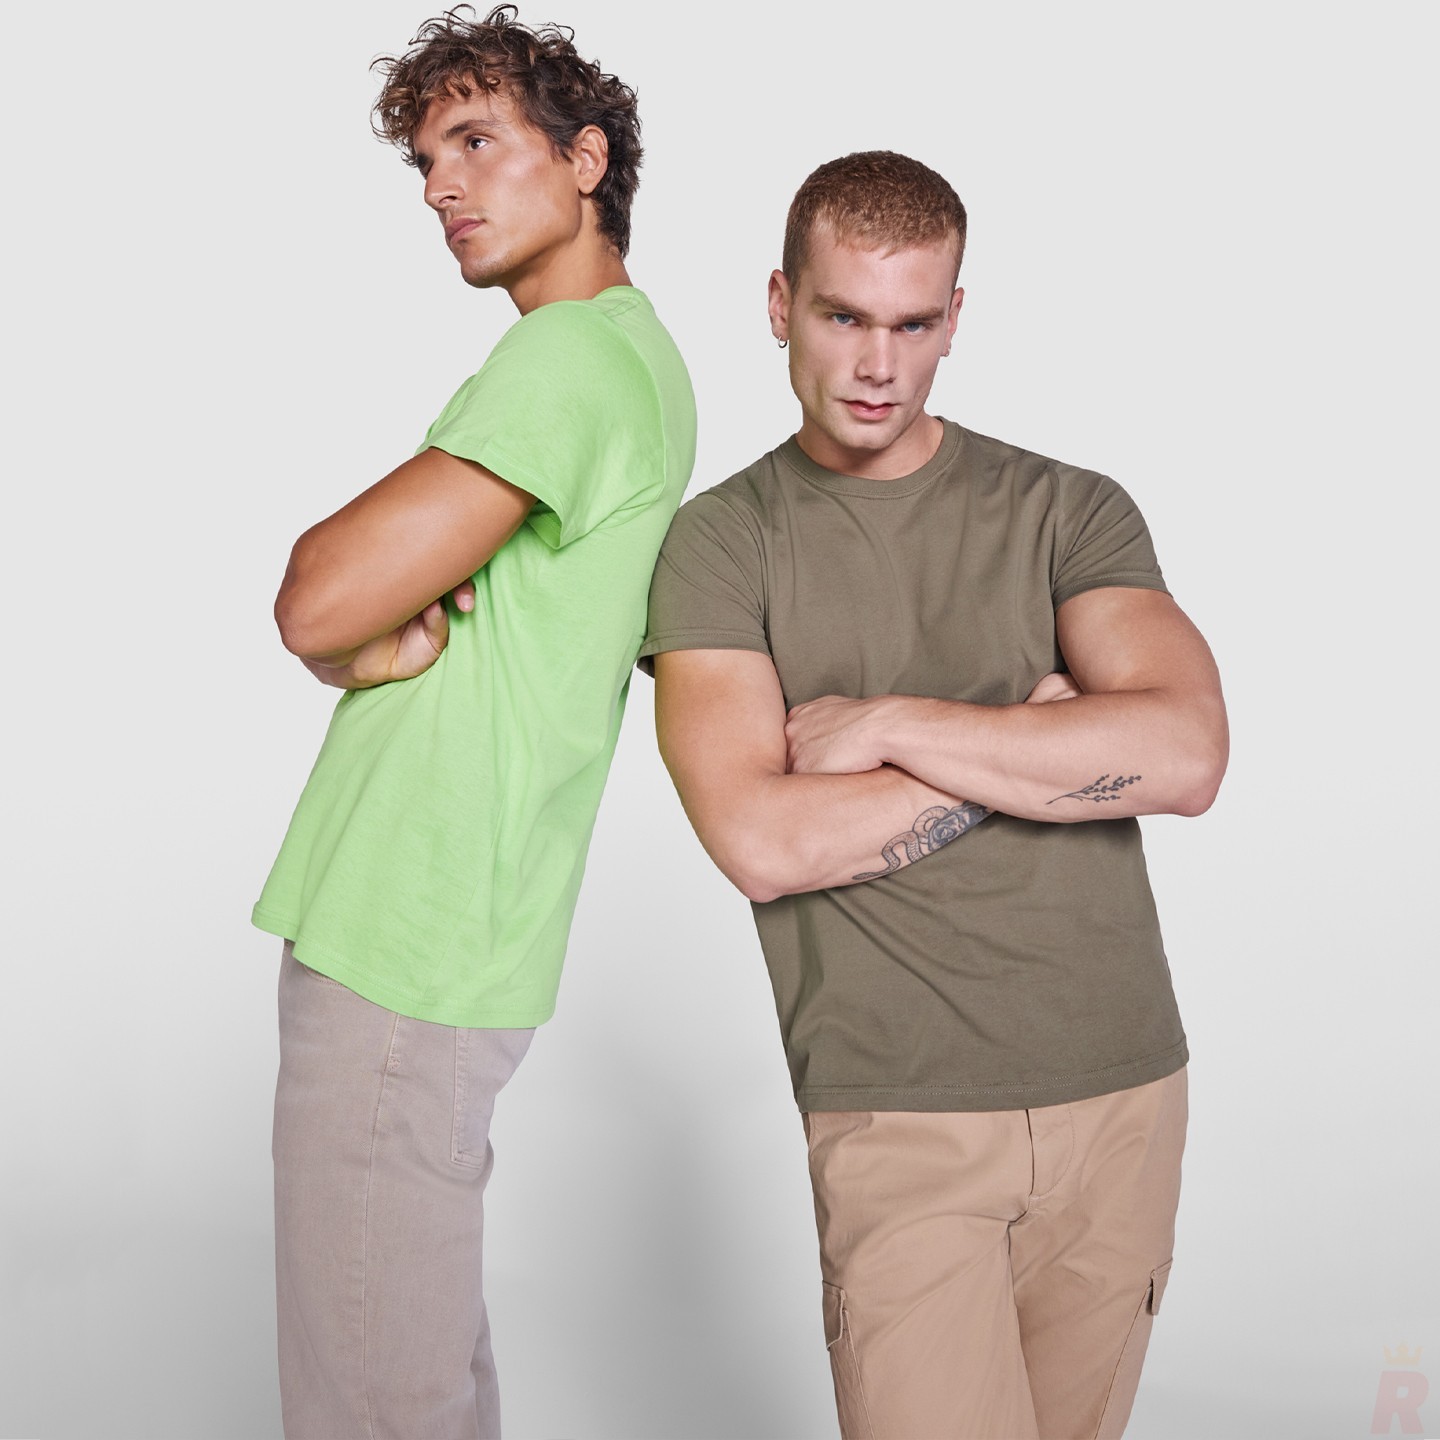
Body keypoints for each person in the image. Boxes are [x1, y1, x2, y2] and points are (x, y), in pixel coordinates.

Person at [641, 150, 1226, 1439]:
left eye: (914, 324)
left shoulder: (1067, 509)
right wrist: (1040, 745)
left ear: (957, 317)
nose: (878, 364)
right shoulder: (721, 543)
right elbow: (762, 840)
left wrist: (891, 725)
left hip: (1122, 1088)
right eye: (844, 316)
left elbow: (1185, 755)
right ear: (780, 303)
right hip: (896, 1108)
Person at [251, 8, 695, 1436]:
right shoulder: (625, 358)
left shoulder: (569, 363)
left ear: (586, 160)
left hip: (413, 930)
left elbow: (315, 594)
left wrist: (351, 636)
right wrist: (363, 642)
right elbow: (357, 621)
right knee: (414, 1376)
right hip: (438, 934)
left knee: (373, 1401)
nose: (443, 185)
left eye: (477, 142)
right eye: (427, 160)